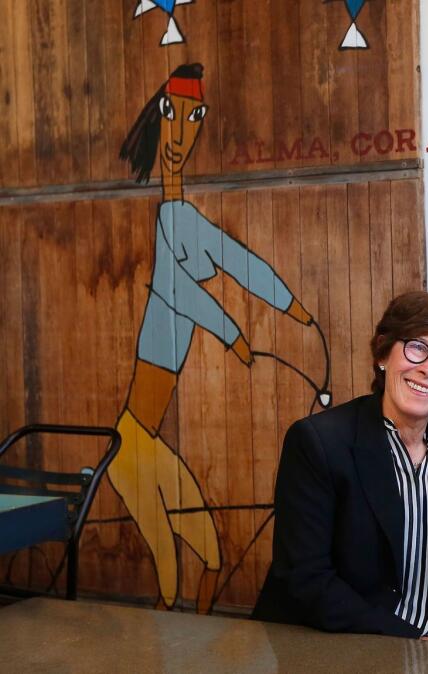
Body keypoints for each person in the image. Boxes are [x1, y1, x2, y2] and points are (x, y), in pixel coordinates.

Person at [114, 62, 317, 612]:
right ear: (159, 120)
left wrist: (294, 309)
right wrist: (232, 335)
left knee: (209, 563)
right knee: (168, 579)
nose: (180, 135)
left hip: (149, 442)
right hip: (130, 443)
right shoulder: (167, 222)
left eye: (194, 118)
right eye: (172, 116)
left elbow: (240, 262)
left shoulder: (186, 218)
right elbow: (178, 290)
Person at [253, 292, 428, 648]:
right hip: (351, 645)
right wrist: (417, 642)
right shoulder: (319, 442)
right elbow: (306, 578)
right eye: (417, 348)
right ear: (383, 353)